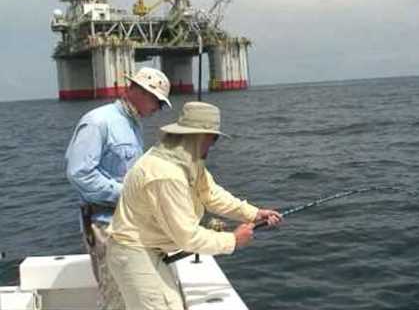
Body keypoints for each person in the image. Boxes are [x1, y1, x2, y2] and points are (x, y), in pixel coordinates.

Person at [106, 101, 282, 310]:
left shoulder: (187, 159)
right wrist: (233, 240)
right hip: (134, 253)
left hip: (151, 251)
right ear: (199, 136)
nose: (213, 144)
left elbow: (211, 194)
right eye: (214, 138)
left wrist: (253, 214)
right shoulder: (166, 173)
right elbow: (187, 237)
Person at [65, 67, 171, 310]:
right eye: (157, 101)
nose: (159, 109)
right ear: (138, 91)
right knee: (116, 296)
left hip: (128, 223)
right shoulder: (98, 121)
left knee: (132, 294)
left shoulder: (133, 125)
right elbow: (79, 173)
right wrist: (127, 194)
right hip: (104, 224)